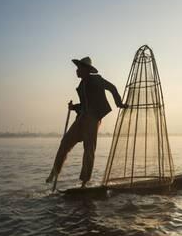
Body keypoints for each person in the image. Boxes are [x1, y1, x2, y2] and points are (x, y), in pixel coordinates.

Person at [46, 56, 128, 188]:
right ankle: (55, 172)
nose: (77, 71)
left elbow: (112, 88)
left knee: (89, 149)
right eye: (77, 68)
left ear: (86, 69)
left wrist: (119, 103)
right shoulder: (81, 85)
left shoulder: (96, 79)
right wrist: (74, 108)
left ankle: (84, 182)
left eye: (79, 68)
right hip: (81, 118)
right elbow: (85, 105)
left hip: (93, 118)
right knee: (65, 142)